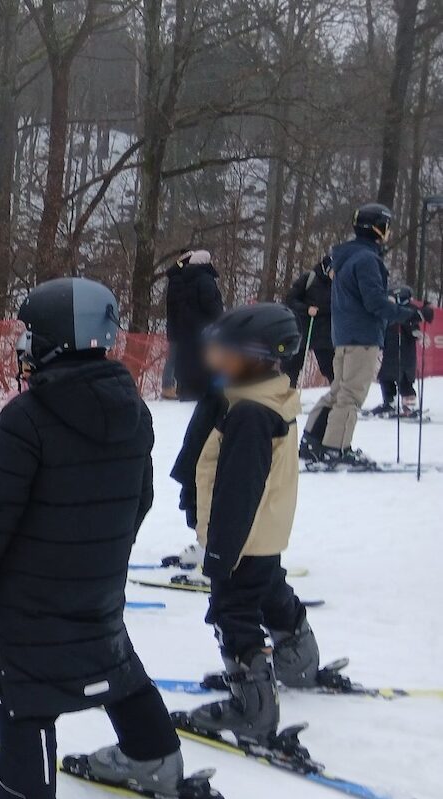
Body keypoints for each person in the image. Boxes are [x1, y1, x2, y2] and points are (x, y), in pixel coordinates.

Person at [0, 278, 185, 799]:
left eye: (30, 334)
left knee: (25, 688)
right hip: (99, 579)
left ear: (54, 338)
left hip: (32, 590)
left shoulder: (27, 418)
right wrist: (104, 552)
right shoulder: (133, 408)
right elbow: (141, 498)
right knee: (113, 661)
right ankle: (155, 756)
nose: (24, 345)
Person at [170, 303, 319, 743]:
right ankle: (299, 660)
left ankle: (251, 707)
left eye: (228, 356)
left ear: (258, 357)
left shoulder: (250, 414)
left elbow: (238, 491)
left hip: (242, 537)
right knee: (270, 589)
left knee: (232, 611)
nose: (219, 364)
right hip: (263, 534)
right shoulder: (267, 396)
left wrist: (219, 552)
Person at [303, 204, 425, 467]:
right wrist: (409, 314)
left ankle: (312, 440)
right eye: (387, 227)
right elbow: (375, 304)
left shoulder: (345, 257)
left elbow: (363, 297)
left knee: (338, 391)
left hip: (345, 335)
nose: (389, 233)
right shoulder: (367, 260)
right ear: (378, 229)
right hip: (362, 336)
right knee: (351, 394)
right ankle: (336, 448)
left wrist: (395, 304)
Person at [165, 249, 224, 400]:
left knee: (185, 358)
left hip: (187, 327)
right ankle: (173, 386)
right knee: (200, 359)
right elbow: (209, 303)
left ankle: (184, 388)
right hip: (202, 328)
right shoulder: (205, 280)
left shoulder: (185, 278)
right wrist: (220, 317)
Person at [369, 287, 435, 418]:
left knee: (404, 379)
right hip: (389, 352)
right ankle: (389, 402)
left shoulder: (407, 310)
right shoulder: (387, 312)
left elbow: (412, 326)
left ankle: (409, 405)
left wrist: (418, 335)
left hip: (404, 353)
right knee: (385, 378)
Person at [284, 255, 335, 387]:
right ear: (327, 269)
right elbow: (291, 300)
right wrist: (306, 309)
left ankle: (339, 399)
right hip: (304, 328)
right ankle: (287, 396)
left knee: (330, 368)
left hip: (325, 333)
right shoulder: (309, 278)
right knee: (292, 367)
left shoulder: (339, 286)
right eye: (334, 270)